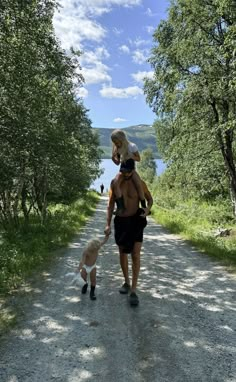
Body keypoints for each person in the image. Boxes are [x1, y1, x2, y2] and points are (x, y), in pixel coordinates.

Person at [104, 160, 153, 306]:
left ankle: (133, 290)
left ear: (133, 170)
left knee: (136, 255)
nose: (126, 174)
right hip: (121, 221)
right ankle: (126, 281)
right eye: (123, 171)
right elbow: (110, 205)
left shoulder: (140, 184)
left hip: (136, 221)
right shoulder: (115, 184)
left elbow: (150, 199)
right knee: (123, 253)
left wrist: (147, 208)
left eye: (128, 172)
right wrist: (107, 224)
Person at [111, 129, 146, 215]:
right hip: (122, 170)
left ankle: (144, 206)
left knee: (139, 185)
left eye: (117, 142)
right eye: (114, 143)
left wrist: (131, 156)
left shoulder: (132, 146)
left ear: (122, 139)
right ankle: (120, 206)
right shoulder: (117, 148)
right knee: (115, 183)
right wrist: (113, 158)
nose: (116, 144)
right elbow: (118, 163)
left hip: (131, 170)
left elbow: (139, 159)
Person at [75, 235, 109, 300]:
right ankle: (85, 285)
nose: (97, 250)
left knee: (93, 280)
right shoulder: (86, 251)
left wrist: (107, 235)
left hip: (93, 266)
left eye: (98, 249)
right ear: (92, 247)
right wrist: (79, 269)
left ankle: (92, 292)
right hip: (85, 266)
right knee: (83, 278)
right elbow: (82, 261)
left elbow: (104, 241)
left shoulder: (97, 247)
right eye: (96, 249)